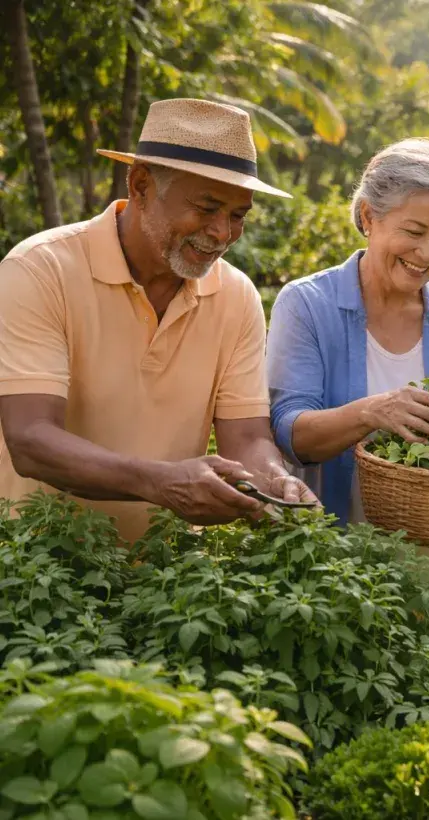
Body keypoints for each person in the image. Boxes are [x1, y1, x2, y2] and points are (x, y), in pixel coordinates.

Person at [0, 98, 316, 543]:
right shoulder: (40, 269)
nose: (223, 233)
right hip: (37, 573)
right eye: (206, 208)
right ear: (141, 185)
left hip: (165, 587)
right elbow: (31, 439)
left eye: (238, 215)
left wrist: (272, 480)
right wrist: (159, 482)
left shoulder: (236, 295)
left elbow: (245, 437)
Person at [266, 138, 429, 603]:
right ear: (367, 218)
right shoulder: (307, 304)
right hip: (329, 567)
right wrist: (373, 412)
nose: (427, 254)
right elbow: (291, 435)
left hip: (428, 576)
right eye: (414, 231)